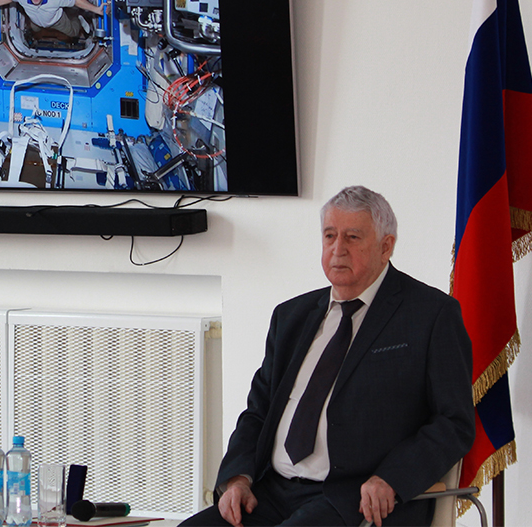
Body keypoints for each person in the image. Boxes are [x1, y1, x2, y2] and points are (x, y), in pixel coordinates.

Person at [182, 186, 475, 527]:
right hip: (269, 491)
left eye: (353, 237)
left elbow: (453, 422)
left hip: (355, 499)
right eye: (330, 235)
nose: (338, 249)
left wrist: (392, 478)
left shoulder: (431, 315)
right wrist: (237, 478)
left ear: (386, 246)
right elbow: (258, 412)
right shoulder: (292, 316)